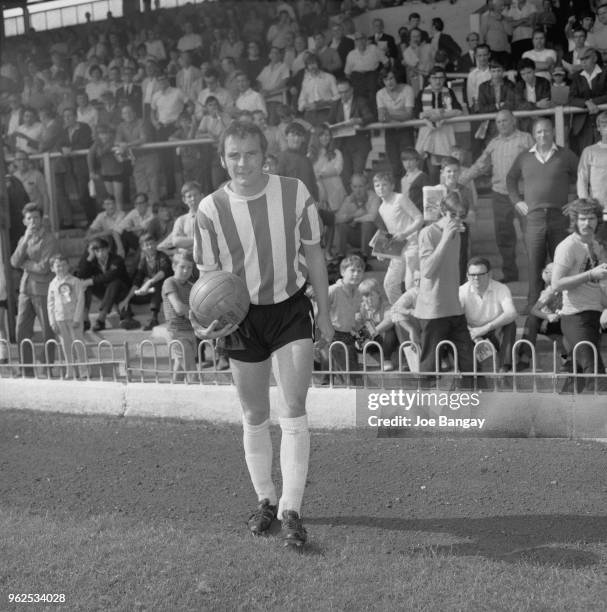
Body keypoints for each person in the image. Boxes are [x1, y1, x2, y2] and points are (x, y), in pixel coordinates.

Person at [191, 122, 333, 548]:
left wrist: (324, 313)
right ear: (222, 159)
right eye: (234, 155)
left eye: (250, 154)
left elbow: (315, 255)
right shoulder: (209, 209)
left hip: (290, 310)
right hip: (242, 319)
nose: (242, 163)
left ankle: (292, 510)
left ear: (263, 155)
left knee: (293, 408)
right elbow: (207, 281)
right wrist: (207, 322)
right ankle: (265, 500)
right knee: (254, 414)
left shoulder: (294, 192)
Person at [506, 117, 579, 309]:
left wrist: (575, 202)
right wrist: (517, 201)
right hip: (534, 219)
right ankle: (533, 309)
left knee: (561, 265)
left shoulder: (565, 155)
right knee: (534, 265)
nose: (543, 135)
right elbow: (510, 179)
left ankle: (563, 307)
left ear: (553, 132)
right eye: (538, 132)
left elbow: (583, 175)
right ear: (533, 135)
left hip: (559, 217)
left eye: (546, 131)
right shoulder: (524, 157)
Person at [459, 109, 534, 283]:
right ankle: (510, 274)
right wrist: (461, 179)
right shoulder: (494, 143)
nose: (502, 124)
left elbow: (537, 161)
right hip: (500, 194)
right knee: (504, 236)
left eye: (505, 120)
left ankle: (537, 273)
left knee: (530, 234)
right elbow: (480, 165)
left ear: (513, 121)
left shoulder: (525, 139)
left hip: (523, 193)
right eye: (498, 122)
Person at [414, 191, 475, 383]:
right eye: (453, 214)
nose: (457, 220)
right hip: (433, 310)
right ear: (443, 210)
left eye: (461, 215)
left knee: (471, 366)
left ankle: (475, 407)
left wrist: (451, 235)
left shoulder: (457, 234)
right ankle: (422, 409)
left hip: (454, 308)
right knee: (429, 369)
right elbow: (427, 272)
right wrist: (445, 238)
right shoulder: (428, 233)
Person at [552, 198, 607, 390]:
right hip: (575, 317)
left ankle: (557, 415)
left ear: (598, 220)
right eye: (582, 218)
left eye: (591, 218)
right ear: (574, 220)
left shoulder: (597, 245)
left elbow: (604, 281)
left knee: (577, 378)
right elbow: (556, 283)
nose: (587, 223)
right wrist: (590, 274)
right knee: (595, 374)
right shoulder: (568, 247)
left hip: (595, 314)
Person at [10, 202, 59, 375]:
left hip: (43, 290)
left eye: (36, 217)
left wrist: (25, 263)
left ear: (41, 219)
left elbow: (44, 267)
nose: (33, 221)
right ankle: (26, 369)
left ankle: (47, 367)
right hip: (25, 290)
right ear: (24, 221)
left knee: (47, 331)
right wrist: (24, 244)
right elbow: (14, 262)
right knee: (21, 330)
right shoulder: (23, 239)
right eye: (29, 218)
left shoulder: (49, 239)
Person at [459, 256, 518, 372]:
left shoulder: (501, 288)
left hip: (494, 330)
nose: (476, 278)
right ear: (467, 276)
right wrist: (475, 335)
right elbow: (456, 318)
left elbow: (511, 313)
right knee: (456, 329)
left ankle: (504, 368)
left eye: (481, 274)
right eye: (472, 275)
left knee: (511, 325)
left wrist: (485, 328)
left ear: (489, 274)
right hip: (472, 333)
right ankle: (473, 372)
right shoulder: (461, 291)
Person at [373, 171, 423, 303]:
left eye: (384, 185)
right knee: (389, 284)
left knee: (410, 285)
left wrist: (405, 233)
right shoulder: (381, 208)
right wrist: (382, 252)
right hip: (397, 249)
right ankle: (400, 312)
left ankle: (415, 315)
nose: (381, 188)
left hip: (412, 246)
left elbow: (419, 218)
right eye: (377, 185)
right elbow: (391, 233)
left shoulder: (400, 198)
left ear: (392, 186)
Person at [414, 66, 463, 184]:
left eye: (441, 78)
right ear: (429, 79)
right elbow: (416, 113)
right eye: (435, 78)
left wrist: (441, 116)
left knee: (447, 168)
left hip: (444, 133)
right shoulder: (422, 92)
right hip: (428, 134)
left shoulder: (449, 92)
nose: (438, 81)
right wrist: (431, 114)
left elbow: (458, 110)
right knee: (432, 172)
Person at [119, 233, 172, 330]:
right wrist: (127, 299)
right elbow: (137, 280)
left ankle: (154, 319)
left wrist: (148, 283)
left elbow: (163, 272)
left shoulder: (162, 257)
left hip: (166, 291)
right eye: (147, 245)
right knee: (125, 292)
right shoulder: (143, 261)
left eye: (152, 244)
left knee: (157, 283)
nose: (150, 247)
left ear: (156, 244)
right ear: (142, 247)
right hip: (152, 292)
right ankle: (129, 319)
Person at [76, 237, 131, 332]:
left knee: (114, 282)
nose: (100, 253)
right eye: (97, 251)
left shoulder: (117, 260)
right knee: (84, 285)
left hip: (120, 291)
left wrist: (91, 281)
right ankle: (85, 320)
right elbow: (80, 275)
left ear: (108, 249)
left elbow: (110, 276)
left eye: (103, 250)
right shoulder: (91, 260)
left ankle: (101, 319)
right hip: (104, 291)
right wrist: (88, 258)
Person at [328, 78, 374, 189]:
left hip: (359, 144)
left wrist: (358, 120)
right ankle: (351, 202)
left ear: (352, 90)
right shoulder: (336, 104)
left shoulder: (360, 101)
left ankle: (361, 200)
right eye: (340, 92)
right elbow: (329, 121)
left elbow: (370, 117)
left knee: (357, 176)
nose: (343, 95)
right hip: (342, 145)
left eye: (345, 91)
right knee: (345, 176)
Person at [47, 253, 87, 378]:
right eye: (58, 266)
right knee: (65, 346)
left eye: (64, 265)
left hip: (73, 318)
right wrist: (52, 321)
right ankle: (69, 371)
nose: (61, 268)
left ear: (68, 266)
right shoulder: (52, 284)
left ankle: (84, 371)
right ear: (52, 268)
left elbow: (81, 300)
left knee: (78, 343)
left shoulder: (75, 281)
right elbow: (50, 303)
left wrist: (77, 318)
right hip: (60, 318)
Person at [162, 249, 198, 381]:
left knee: (181, 367)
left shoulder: (191, 286)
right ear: (174, 266)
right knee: (191, 369)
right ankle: (198, 393)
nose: (185, 271)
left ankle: (172, 391)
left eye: (189, 268)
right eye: (182, 267)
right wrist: (195, 313)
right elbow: (179, 308)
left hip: (190, 330)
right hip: (177, 332)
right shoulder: (169, 282)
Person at [327, 254, 364, 382]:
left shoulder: (358, 294)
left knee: (353, 374)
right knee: (347, 377)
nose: (356, 274)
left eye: (359, 271)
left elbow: (354, 317)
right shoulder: (333, 290)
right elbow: (318, 312)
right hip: (333, 337)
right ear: (342, 272)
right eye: (352, 270)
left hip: (348, 336)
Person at [376, 68, 415, 182]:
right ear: (382, 81)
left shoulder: (407, 89)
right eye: (386, 79)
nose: (389, 82)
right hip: (390, 132)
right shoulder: (380, 93)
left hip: (406, 131)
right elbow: (382, 117)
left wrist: (390, 115)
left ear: (396, 78)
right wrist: (399, 115)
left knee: (408, 165)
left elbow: (408, 114)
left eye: (391, 78)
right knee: (395, 167)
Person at [568, 47, 607, 155]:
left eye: (586, 58)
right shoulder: (576, 76)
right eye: (581, 59)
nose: (583, 62)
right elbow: (571, 99)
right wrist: (586, 103)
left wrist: (593, 102)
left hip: (604, 118)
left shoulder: (605, 72)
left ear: (594, 58)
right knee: (584, 155)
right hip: (582, 125)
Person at [577, 111, 607, 250]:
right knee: (599, 249)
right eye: (604, 125)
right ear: (599, 128)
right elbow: (582, 179)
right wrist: (587, 207)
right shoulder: (590, 151)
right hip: (599, 210)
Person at [334, 173, 380, 259]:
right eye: (355, 187)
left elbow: (373, 216)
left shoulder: (374, 197)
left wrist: (356, 219)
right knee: (341, 226)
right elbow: (337, 218)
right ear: (351, 187)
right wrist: (353, 215)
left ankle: (365, 255)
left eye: (361, 186)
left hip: (372, 238)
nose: (358, 190)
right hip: (355, 237)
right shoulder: (349, 199)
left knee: (367, 224)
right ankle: (341, 255)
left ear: (367, 186)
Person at [357, 277, 399, 370]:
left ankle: (386, 358)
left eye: (371, 295)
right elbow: (357, 324)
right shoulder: (362, 307)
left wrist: (373, 331)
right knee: (361, 330)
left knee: (390, 330)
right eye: (365, 296)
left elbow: (390, 320)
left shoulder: (385, 305)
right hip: (372, 341)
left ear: (379, 294)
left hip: (385, 340)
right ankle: (361, 357)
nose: (368, 298)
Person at [400, 148, 430, 212]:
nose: (408, 163)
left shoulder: (423, 177)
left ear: (417, 161)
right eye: (405, 160)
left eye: (411, 160)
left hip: (420, 212)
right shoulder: (403, 179)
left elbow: (429, 198)